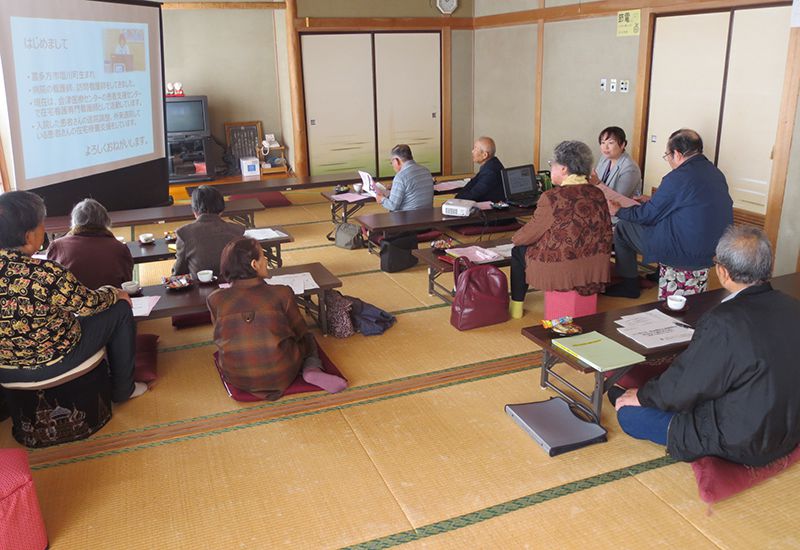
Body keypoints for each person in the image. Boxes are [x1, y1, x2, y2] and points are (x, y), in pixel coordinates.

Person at [612, 226, 800, 466]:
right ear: (769, 267)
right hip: (789, 428)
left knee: (628, 412)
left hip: (742, 439)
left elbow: (686, 387)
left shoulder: (724, 321)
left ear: (722, 271)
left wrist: (643, 396)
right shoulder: (794, 307)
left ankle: (627, 399)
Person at [0, 191, 146, 402]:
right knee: (120, 308)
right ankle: (124, 389)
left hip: (6, 369)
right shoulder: (45, 273)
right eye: (41, 224)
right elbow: (89, 304)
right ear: (28, 236)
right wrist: (115, 292)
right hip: (55, 361)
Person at [207, 237, 347, 400]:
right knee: (308, 337)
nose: (266, 260)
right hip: (282, 372)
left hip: (237, 377)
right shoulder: (282, 293)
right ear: (254, 264)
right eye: (263, 256)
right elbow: (299, 331)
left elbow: (220, 335)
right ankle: (311, 369)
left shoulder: (214, 299)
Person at [605, 129, 733, 299]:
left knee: (623, 228)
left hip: (682, 252)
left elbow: (648, 216)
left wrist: (618, 210)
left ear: (677, 154)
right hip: (711, 249)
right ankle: (658, 273)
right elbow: (689, 207)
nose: (669, 160)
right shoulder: (716, 173)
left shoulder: (678, 177)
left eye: (667, 155)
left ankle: (630, 285)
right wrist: (652, 200)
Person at [509, 141, 612, 319]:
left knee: (518, 251)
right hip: (595, 263)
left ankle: (516, 307)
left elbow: (532, 231)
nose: (551, 169)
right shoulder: (597, 193)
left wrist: (515, 238)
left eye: (552, 164)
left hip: (562, 266)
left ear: (564, 169)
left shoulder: (552, 197)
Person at [46, 198, 133, 289]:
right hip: (112, 302)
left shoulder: (57, 246)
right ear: (106, 221)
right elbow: (127, 284)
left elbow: (51, 283)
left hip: (73, 302)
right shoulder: (119, 248)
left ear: (74, 222)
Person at [173, 185, 244, 278]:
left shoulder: (184, 233)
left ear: (194, 210)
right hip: (232, 287)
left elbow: (180, 271)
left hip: (199, 288)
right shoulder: (238, 230)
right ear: (222, 208)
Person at [376, 144, 434, 212]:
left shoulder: (400, 176)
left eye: (391, 162)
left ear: (396, 160)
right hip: (427, 215)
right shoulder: (425, 171)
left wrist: (381, 199)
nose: (392, 165)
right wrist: (393, 186)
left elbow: (392, 206)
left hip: (407, 218)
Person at [588, 126, 642, 199]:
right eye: (603, 142)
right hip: (603, 202)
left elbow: (619, 198)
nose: (605, 147)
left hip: (623, 208)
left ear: (623, 145)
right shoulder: (604, 158)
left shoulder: (630, 168)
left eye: (610, 143)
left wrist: (598, 183)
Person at [454, 137, 505, 203]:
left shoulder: (490, 172)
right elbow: (472, 183)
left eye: (475, 149)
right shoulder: (492, 164)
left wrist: (456, 198)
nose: (472, 151)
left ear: (485, 155)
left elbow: (473, 195)